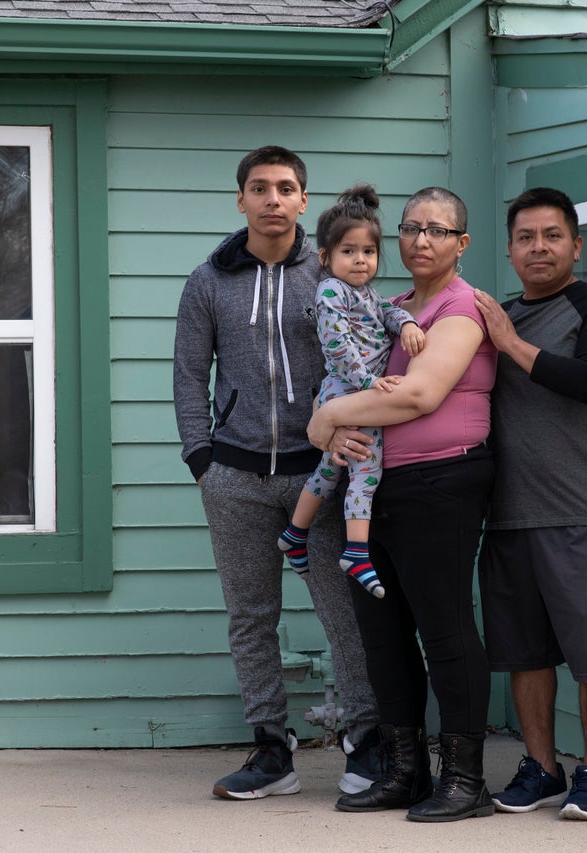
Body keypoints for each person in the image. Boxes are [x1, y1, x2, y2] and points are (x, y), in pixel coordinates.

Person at [173, 146, 381, 801]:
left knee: (341, 609)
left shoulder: (327, 276)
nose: (271, 198)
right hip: (233, 476)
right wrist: (200, 459)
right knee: (250, 616)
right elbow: (187, 374)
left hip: (317, 474)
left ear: (302, 201)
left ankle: (366, 740)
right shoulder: (208, 280)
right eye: (259, 187)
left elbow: (362, 353)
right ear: (241, 200)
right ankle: (271, 747)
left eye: (285, 187)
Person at [307, 186, 498, 823]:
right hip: (376, 487)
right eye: (412, 228)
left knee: (443, 629)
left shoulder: (460, 309)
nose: (421, 240)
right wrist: (324, 428)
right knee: (383, 638)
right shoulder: (385, 308)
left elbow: (417, 396)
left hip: (442, 484)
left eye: (438, 230)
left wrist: (328, 418)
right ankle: (404, 770)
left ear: (460, 244)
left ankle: (465, 779)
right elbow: (337, 394)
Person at [473, 186, 587, 821]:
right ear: (511, 249)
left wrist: (510, 343)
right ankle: (541, 768)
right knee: (525, 652)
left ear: (576, 244)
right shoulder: (495, 318)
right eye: (525, 238)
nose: (538, 247)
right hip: (510, 512)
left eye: (551, 236)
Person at [277, 184, 425, 600]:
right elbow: (336, 343)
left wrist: (408, 324)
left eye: (368, 252)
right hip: (348, 392)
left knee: (330, 470)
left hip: (354, 394)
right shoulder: (330, 292)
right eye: (348, 251)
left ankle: (295, 533)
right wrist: (367, 383)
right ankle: (356, 552)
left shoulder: (367, 295)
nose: (360, 260)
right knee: (366, 471)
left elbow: (390, 310)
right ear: (325, 258)